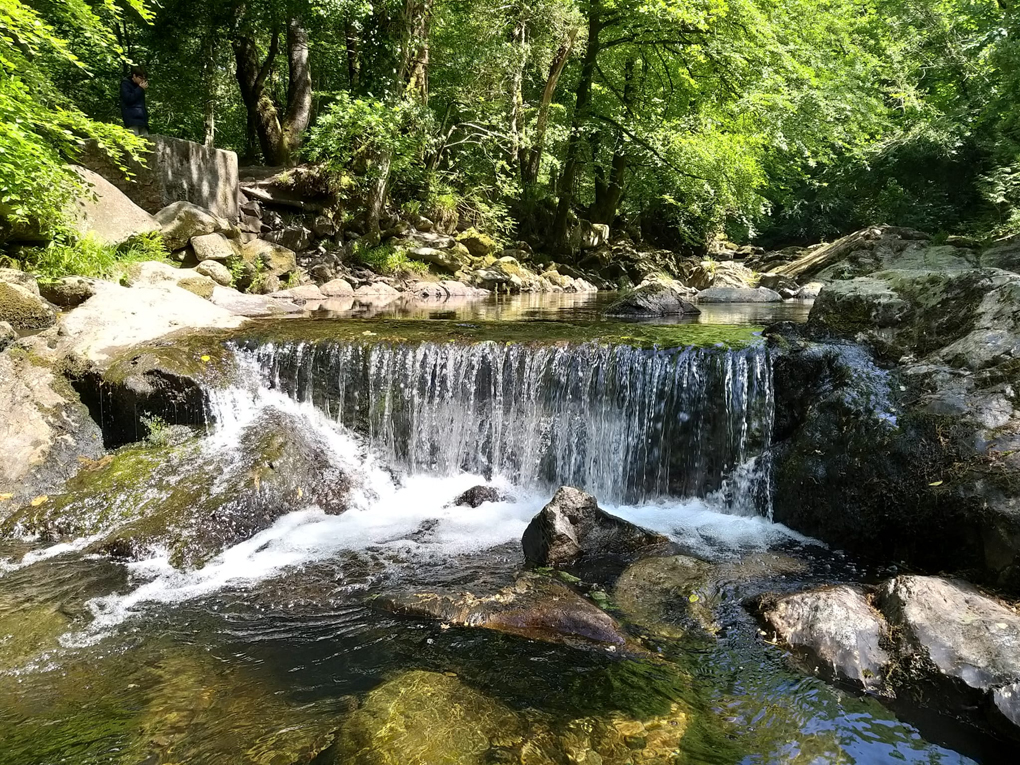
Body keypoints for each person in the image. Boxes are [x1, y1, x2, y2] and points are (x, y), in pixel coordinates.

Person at [120, 66, 149, 135]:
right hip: (131, 120)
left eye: (144, 79)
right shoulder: (125, 84)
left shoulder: (139, 87)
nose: (142, 80)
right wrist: (140, 89)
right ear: (134, 76)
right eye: (140, 78)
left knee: (146, 142)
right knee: (134, 141)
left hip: (142, 120)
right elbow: (128, 99)